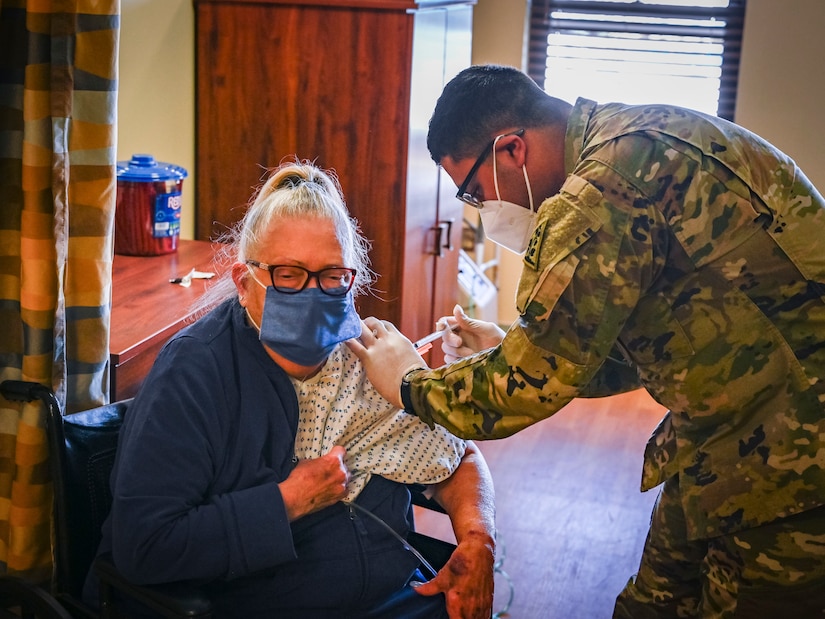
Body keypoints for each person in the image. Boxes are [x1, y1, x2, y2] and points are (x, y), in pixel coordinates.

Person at [346, 64, 825, 618]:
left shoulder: (600, 194)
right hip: (733, 432)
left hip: (791, 466)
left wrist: (408, 382)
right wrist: (511, 346)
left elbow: (527, 389)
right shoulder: (638, 131)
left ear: (512, 149)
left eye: (474, 191)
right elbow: (640, 340)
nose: (479, 211)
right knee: (652, 604)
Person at [85, 160, 496, 619]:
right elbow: (146, 547)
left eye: (331, 276)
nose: (313, 292)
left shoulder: (371, 359)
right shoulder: (196, 374)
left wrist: (479, 539)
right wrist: (289, 501)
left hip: (397, 593)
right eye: (289, 274)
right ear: (245, 283)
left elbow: (457, 457)